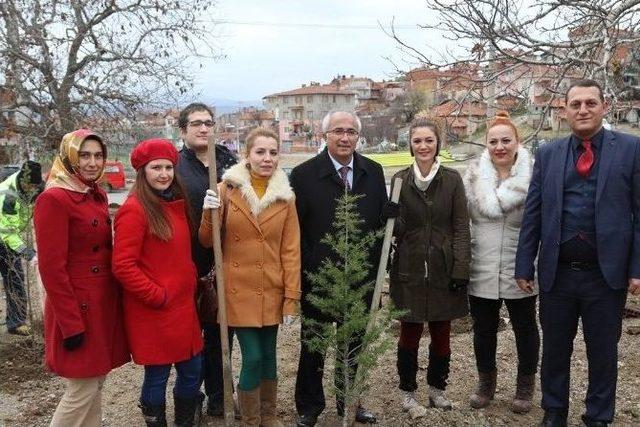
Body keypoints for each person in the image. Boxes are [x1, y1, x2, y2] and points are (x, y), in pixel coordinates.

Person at [515, 79, 640, 427]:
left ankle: (598, 417)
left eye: (590, 103)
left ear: (604, 107)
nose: (582, 110)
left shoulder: (631, 149)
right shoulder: (548, 154)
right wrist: (524, 263)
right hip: (559, 272)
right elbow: (534, 213)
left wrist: (637, 267)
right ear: (564, 111)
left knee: (603, 352)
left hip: (606, 274)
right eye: (575, 104)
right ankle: (554, 412)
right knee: (555, 350)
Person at [291, 111, 389, 427]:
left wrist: (375, 268)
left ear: (358, 137)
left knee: (354, 345)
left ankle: (351, 401)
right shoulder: (304, 175)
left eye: (350, 132)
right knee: (313, 346)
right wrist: (308, 268)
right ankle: (309, 406)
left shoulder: (372, 172)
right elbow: (296, 230)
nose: (344, 138)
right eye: (338, 131)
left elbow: (377, 227)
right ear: (325, 136)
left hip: (360, 279)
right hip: (318, 278)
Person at [198, 127, 301, 426]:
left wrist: (292, 297)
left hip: (272, 288)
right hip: (237, 291)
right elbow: (207, 241)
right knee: (253, 357)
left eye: (273, 152)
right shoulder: (226, 190)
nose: (267, 158)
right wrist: (208, 211)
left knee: (269, 357)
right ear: (247, 154)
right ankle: (251, 419)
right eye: (260, 151)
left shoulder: (285, 198)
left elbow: (291, 251)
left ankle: (268, 416)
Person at [33, 130, 129, 426]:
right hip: (76, 309)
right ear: (69, 156)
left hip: (100, 304)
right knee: (82, 388)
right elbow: (52, 269)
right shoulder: (55, 199)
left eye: (98, 156)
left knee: (96, 382)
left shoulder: (93, 192)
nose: (92, 162)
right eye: (84, 155)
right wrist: (70, 323)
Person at [112, 138, 204, 427]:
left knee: (192, 369)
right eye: (156, 168)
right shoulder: (135, 210)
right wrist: (157, 295)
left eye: (168, 167)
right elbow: (123, 266)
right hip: (156, 310)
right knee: (158, 374)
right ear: (143, 171)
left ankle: (185, 421)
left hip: (182, 307)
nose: (164, 174)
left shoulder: (175, 204)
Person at [389, 117, 470, 417]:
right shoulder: (400, 179)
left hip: (443, 267)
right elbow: (396, 231)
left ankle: (437, 389)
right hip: (408, 268)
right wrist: (390, 217)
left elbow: (461, 227)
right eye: (417, 141)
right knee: (409, 333)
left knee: (442, 332)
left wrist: (461, 269)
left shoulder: (452, 180)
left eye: (429, 140)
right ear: (410, 145)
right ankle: (408, 392)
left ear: (438, 144)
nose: (423, 146)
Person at [463, 112, 539, 413]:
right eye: (493, 141)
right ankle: (486, 382)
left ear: (517, 142)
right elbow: (462, 221)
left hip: (520, 266)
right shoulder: (472, 177)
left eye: (506, 140)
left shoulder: (534, 176)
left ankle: (525, 384)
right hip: (481, 263)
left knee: (525, 328)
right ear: (486, 145)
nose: (500, 146)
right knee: (483, 329)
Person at [174, 102, 237, 417]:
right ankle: (191, 397)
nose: (203, 128)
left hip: (225, 261)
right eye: (196, 123)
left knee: (221, 332)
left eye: (208, 123)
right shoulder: (173, 167)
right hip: (187, 262)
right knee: (192, 335)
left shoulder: (228, 161)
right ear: (183, 129)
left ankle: (220, 395)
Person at [0, 160, 43, 336]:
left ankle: (15, 323)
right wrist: (29, 253)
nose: (32, 189)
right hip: (4, 235)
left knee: (15, 280)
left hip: (12, 236)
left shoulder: (38, 188)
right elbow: (8, 233)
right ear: (22, 181)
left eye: (35, 185)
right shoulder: (8, 194)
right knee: (12, 274)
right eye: (29, 185)